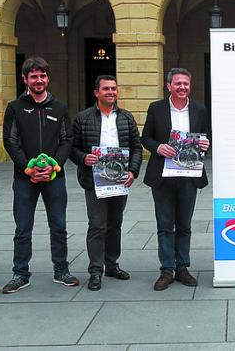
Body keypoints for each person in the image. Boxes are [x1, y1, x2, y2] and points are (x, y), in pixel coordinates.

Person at [2, 56, 78, 293]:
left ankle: (61, 270)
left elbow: (67, 140)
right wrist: (28, 168)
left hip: (54, 177)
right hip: (25, 177)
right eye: (34, 76)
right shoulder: (15, 108)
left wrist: (54, 165)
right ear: (25, 79)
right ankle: (20, 273)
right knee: (22, 227)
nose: (39, 80)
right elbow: (10, 141)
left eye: (42, 76)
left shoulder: (60, 107)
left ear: (47, 78)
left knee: (59, 225)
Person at [70, 75, 142, 291]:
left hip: (120, 180)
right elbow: (71, 148)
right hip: (94, 181)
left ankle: (112, 265)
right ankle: (95, 271)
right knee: (97, 225)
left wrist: (133, 171)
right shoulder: (83, 118)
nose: (111, 92)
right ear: (96, 92)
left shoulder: (126, 118)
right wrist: (83, 158)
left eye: (114, 88)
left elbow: (137, 147)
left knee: (115, 225)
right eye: (106, 89)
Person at [141, 67, 210, 291]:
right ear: (168, 86)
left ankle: (182, 267)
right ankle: (166, 270)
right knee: (164, 225)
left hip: (189, 176)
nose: (182, 87)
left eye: (186, 84)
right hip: (163, 176)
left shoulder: (199, 109)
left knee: (185, 225)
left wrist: (205, 145)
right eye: (178, 84)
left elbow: (206, 137)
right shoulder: (156, 108)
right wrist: (158, 147)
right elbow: (146, 138)